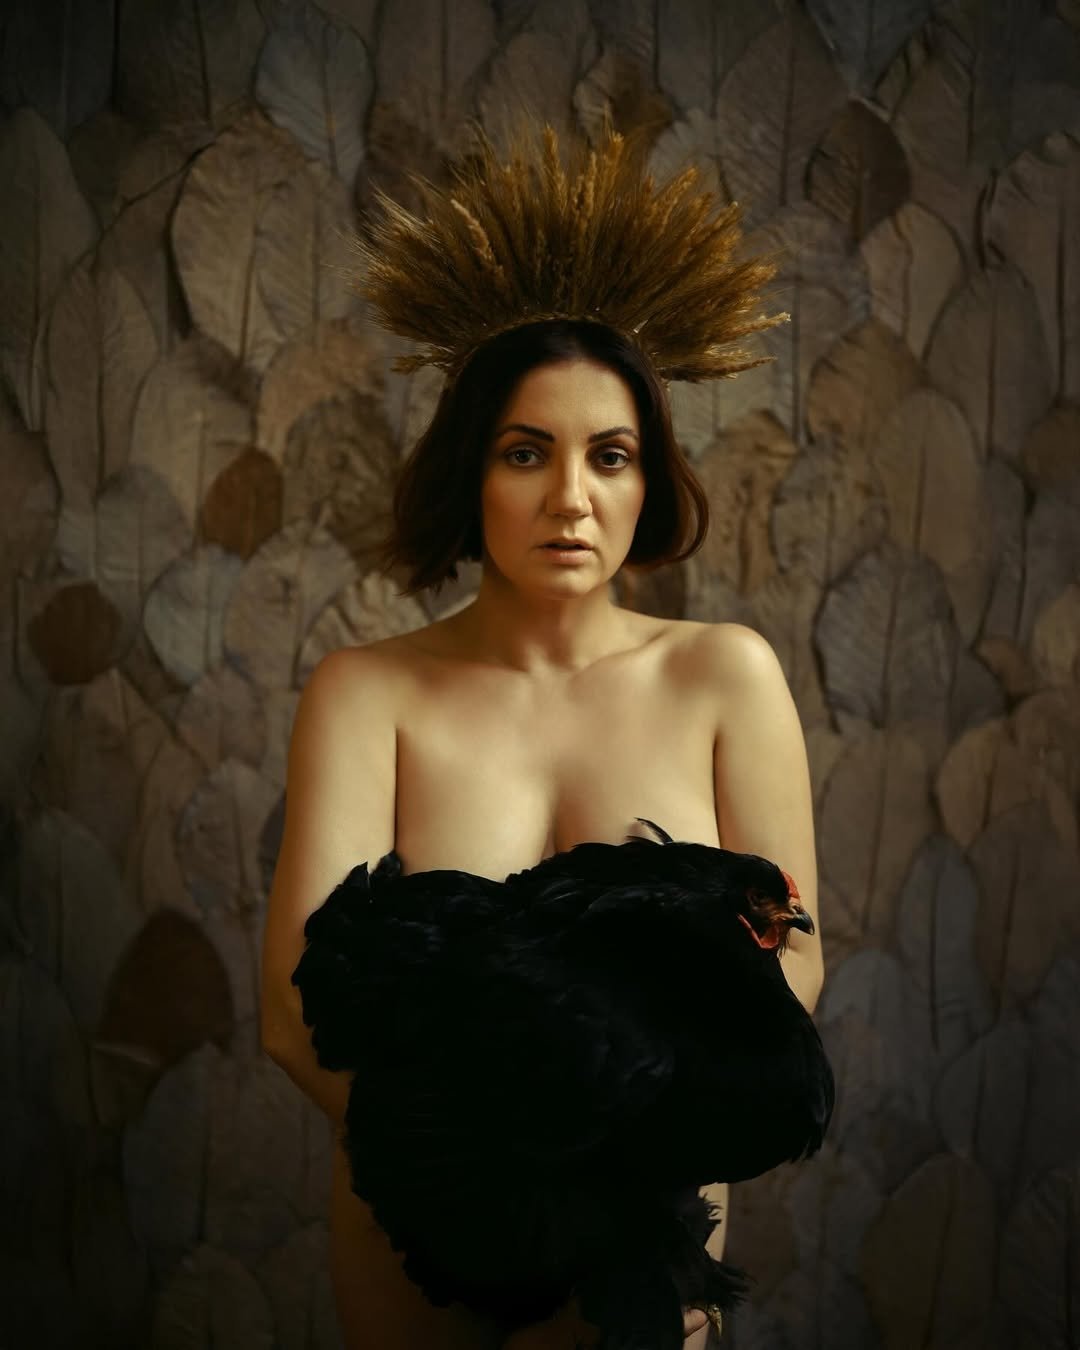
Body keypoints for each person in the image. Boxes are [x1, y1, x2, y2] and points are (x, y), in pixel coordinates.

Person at [259, 126, 824, 1350]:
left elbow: (789, 972)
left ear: (648, 479)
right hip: (418, 1241)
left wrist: (611, 1197)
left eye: (609, 456)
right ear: (473, 473)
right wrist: (473, 1189)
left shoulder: (726, 678)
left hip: (650, 1237)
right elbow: (294, 1022)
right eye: (527, 453)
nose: (571, 498)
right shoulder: (365, 694)